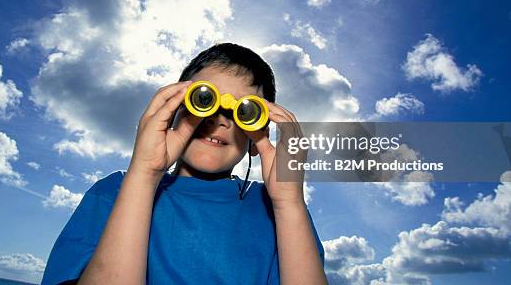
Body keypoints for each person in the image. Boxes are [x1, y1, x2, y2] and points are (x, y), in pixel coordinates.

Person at [41, 43, 328, 284]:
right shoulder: (115, 192)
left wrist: (288, 203)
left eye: (243, 111)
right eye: (205, 99)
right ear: (176, 108)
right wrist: (144, 173)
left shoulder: (280, 214)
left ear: (258, 136)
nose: (220, 120)